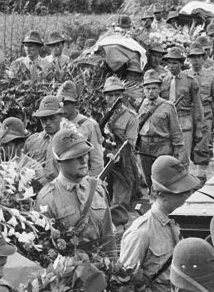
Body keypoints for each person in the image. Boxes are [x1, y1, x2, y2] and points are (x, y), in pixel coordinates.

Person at [118, 156, 199, 292]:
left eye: (189, 191)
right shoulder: (141, 232)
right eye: (181, 193)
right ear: (160, 194)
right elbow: (124, 290)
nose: (188, 197)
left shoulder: (183, 220)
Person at [36, 127, 117, 260]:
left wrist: (114, 268)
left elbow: (109, 238)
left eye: (84, 153)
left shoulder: (97, 188)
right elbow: (45, 251)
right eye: (74, 157)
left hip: (101, 271)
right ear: (58, 161)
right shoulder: (47, 199)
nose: (83, 160)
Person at [99, 76, 142, 221]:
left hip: (122, 160)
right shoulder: (99, 113)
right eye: (110, 95)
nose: (113, 98)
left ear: (122, 96)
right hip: (103, 159)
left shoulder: (130, 116)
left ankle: (119, 227)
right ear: (105, 96)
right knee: (103, 193)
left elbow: (130, 144)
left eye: (117, 94)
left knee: (120, 196)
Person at [137, 69, 184, 181]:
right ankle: (151, 197)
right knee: (148, 176)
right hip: (144, 146)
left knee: (162, 177)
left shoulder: (168, 106)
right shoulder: (141, 104)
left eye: (154, 88)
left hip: (162, 146)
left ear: (159, 89)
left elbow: (176, 131)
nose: (151, 91)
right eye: (148, 89)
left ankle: (160, 198)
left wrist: (177, 150)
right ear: (144, 90)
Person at [162, 45, 203, 160]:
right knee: (167, 157)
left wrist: (199, 128)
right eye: (169, 63)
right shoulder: (162, 81)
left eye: (175, 63)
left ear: (181, 64)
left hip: (183, 122)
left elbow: (197, 106)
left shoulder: (190, 81)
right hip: (166, 123)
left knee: (183, 158)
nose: (171, 66)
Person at [58, 80, 105, 178]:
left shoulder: (88, 125)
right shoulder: (56, 122)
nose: (62, 108)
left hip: (81, 178)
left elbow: (97, 160)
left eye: (66, 104)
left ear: (75, 104)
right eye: (60, 104)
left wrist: (91, 183)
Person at [187, 42, 214, 178]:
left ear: (203, 58)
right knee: (187, 144)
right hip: (188, 113)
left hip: (206, 113)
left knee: (202, 145)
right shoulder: (184, 76)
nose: (196, 60)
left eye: (198, 57)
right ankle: (188, 177)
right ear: (189, 59)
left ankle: (201, 178)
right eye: (193, 57)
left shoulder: (211, 76)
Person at [22, 94, 66, 185]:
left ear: (61, 116)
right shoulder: (33, 141)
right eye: (43, 119)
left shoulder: (70, 141)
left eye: (52, 118)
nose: (47, 123)